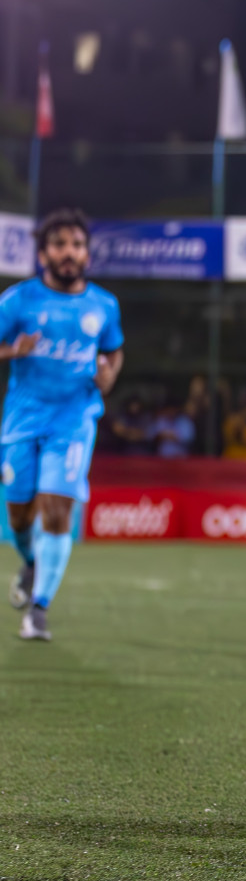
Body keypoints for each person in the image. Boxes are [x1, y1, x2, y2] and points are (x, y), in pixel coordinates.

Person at [0, 208, 124, 641]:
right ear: (43, 254)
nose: (68, 253)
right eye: (59, 245)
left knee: (57, 510)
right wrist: (10, 352)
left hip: (74, 420)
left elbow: (113, 351)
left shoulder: (104, 305)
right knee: (18, 516)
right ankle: (32, 564)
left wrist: (109, 376)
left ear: (87, 254)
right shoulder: (18, 301)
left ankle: (39, 610)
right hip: (22, 420)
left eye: (76, 245)